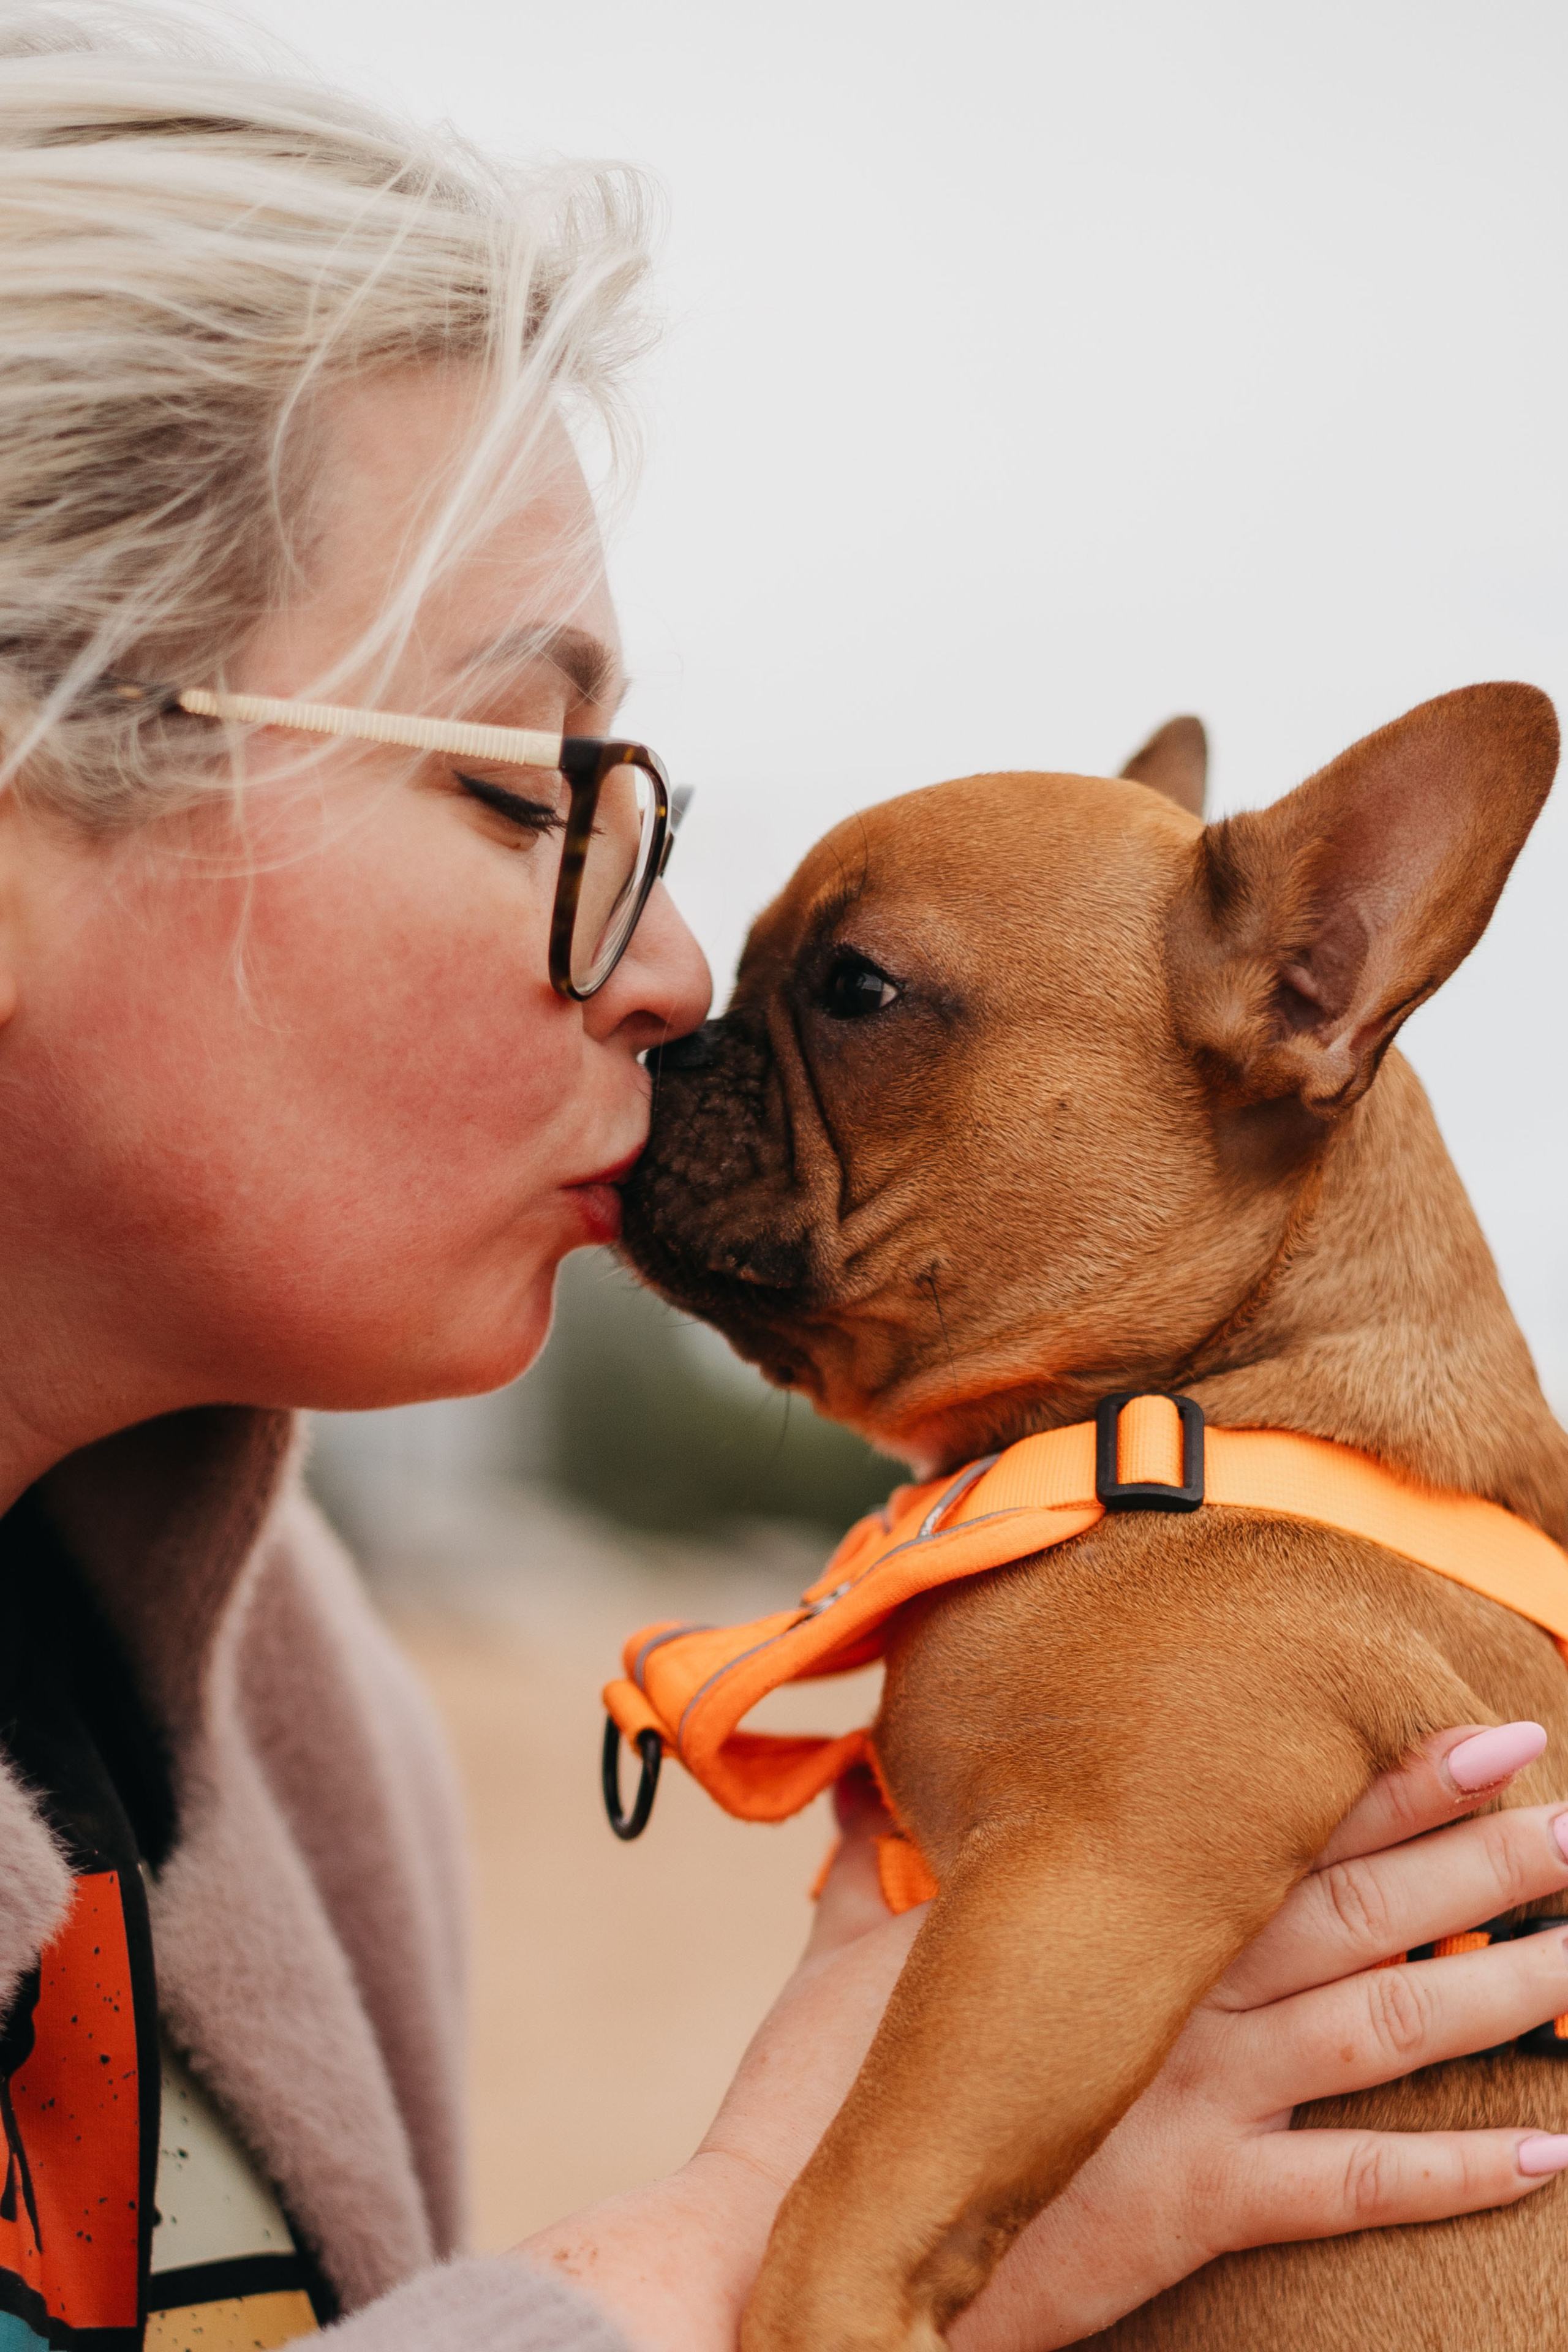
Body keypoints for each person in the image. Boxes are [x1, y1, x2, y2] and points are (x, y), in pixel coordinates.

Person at [0, 10, 1564, 2350]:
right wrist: (752, 2237)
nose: (659, 973)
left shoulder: (296, 1725)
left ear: (1311, 998)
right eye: (523, 792)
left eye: (854, 998)